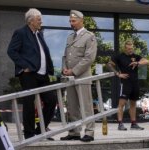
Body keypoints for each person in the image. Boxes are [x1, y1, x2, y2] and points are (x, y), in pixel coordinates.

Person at [6, 8, 58, 140]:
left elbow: (44, 53)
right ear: (31, 20)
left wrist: (51, 70)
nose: (41, 21)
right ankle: (29, 133)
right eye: (39, 19)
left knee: (51, 101)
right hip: (29, 74)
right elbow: (11, 51)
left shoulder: (39, 34)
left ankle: (40, 130)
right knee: (29, 103)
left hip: (43, 74)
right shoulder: (21, 32)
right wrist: (24, 66)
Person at [60, 10, 97, 142]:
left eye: (73, 21)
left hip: (82, 77)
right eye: (70, 21)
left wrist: (73, 71)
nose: (71, 23)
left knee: (86, 106)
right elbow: (65, 55)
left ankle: (89, 132)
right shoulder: (70, 37)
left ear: (81, 21)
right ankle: (74, 132)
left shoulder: (89, 36)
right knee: (72, 106)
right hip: (70, 77)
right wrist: (64, 68)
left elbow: (89, 58)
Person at [108, 40, 148, 131]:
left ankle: (133, 124)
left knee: (133, 103)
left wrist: (137, 63)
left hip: (135, 82)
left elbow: (146, 61)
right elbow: (109, 64)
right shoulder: (119, 56)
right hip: (125, 82)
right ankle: (120, 124)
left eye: (131, 48)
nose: (130, 50)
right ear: (125, 48)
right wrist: (118, 74)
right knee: (121, 103)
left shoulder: (136, 57)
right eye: (128, 48)